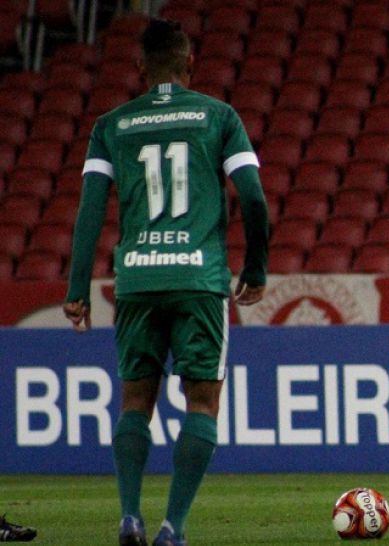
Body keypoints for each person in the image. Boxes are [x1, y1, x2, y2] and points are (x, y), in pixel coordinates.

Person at [62, 19, 269, 546]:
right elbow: (253, 198)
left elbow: (90, 210)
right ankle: (172, 526)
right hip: (199, 278)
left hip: (137, 280)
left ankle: (129, 514)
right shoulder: (219, 116)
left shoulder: (111, 125)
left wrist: (77, 288)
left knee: (135, 400)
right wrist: (257, 266)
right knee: (202, 402)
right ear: (190, 63)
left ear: (139, 67)